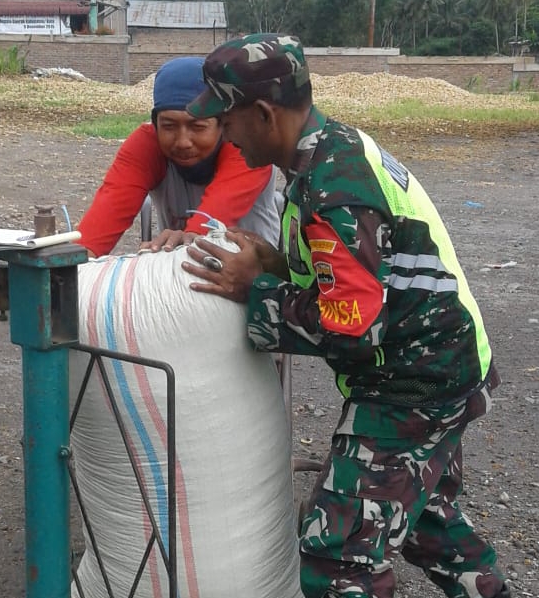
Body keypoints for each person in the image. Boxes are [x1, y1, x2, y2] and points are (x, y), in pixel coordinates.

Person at [181, 33, 511, 598]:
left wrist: (254, 291)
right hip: (444, 364)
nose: (225, 136)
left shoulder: (332, 187)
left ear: (263, 114)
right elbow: (359, 270)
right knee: (425, 525)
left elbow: (353, 322)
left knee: (337, 557)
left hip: (414, 385)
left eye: (227, 120)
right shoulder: (332, 150)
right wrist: (278, 264)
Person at [76, 56, 281, 257]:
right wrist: (71, 264)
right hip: (178, 267)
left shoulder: (247, 145)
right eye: (169, 126)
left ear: (223, 124)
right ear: (156, 124)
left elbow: (214, 216)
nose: (183, 142)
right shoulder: (147, 144)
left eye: (197, 126)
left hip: (255, 272)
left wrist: (191, 236)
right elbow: (100, 224)